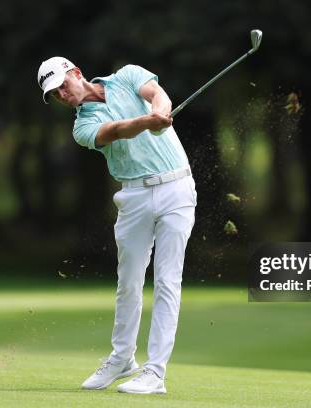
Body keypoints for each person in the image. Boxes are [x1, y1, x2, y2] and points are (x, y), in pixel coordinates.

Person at [37, 56, 196, 394]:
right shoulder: (82, 128)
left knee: (167, 281)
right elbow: (117, 131)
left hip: (176, 188)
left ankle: (155, 372)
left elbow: (158, 94)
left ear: (76, 73)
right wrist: (148, 121)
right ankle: (123, 358)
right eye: (55, 94)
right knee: (129, 283)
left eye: (62, 85)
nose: (62, 95)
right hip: (134, 197)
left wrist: (160, 111)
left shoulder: (127, 76)